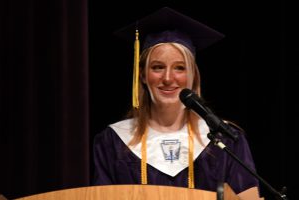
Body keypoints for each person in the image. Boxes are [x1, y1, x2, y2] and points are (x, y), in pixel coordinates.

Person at [93, 7, 262, 200]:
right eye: (157, 67)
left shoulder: (227, 140)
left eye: (180, 68)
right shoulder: (112, 141)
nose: (167, 78)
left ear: (193, 75)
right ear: (142, 76)